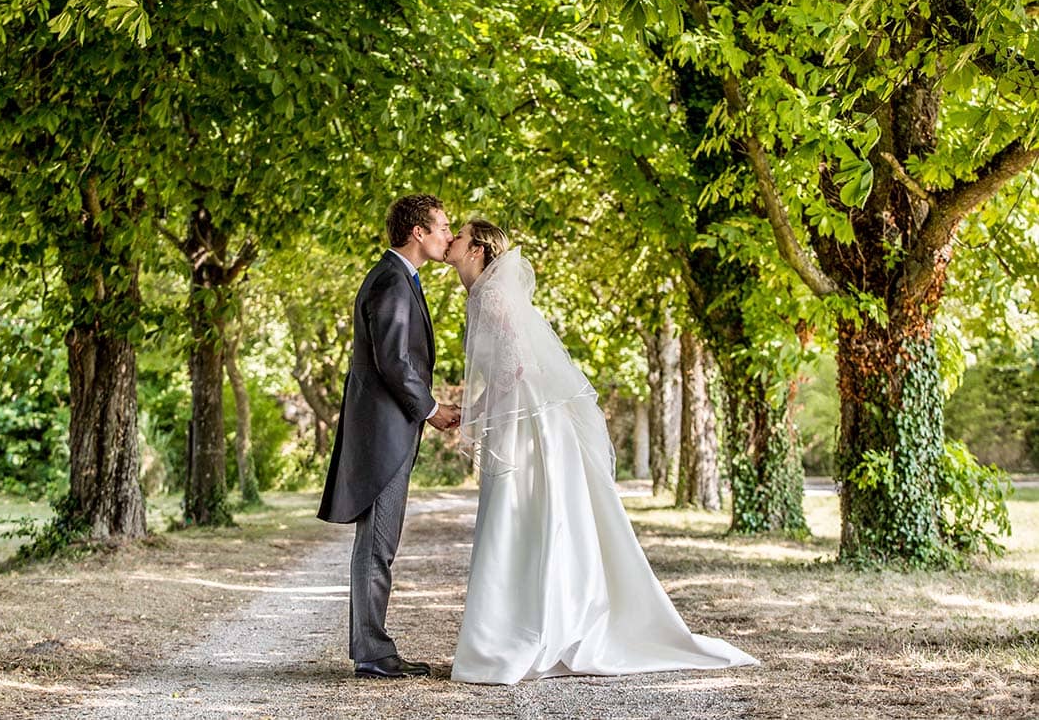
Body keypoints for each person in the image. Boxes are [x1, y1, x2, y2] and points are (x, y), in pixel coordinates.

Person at [445, 219, 759, 684]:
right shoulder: (482, 295)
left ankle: (529, 634)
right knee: (524, 519)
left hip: (528, 421)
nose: (450, 239)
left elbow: (515, 365)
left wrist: (473, 414)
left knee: (522, 516)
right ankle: (528, 628)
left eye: (459, 235)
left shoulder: (490, 296)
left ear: (477, 251)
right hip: (523, 414)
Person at [317, 194, 461, 679]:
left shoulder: (399, 278)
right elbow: (395, 362)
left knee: (378, 542)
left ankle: (371, 647)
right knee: (378, 542)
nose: (449, 235)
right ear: (417, 232)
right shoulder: (392, 280)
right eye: (443, 226)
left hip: (388, 428)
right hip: (383, 431)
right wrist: (434, 410)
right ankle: (374, 653)